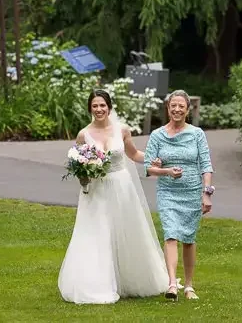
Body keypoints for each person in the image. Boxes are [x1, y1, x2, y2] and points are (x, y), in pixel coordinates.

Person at [58, 89, 169, 304]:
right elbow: (80, 162)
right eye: (95, 106)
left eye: (102, 105)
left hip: (121, 186)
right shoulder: (84, 134)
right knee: (97, 233)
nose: (99, 109)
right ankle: (96, 283)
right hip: (97, 191)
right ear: (90, 108)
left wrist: (152, 160)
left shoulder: (122, 130)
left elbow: (133, 154)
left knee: (126, 231)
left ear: (109, 107)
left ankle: (130, 279)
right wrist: (83, 176)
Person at [145, 89, 214, 301]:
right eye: (173, 106)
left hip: (192, 191)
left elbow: (206, 165)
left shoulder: (197, 134)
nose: (176, 109)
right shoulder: (157, 135)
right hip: (167, 192)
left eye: (181, 106)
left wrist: (206, 193)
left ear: (187, 110)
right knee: (171, 234)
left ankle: (189, 285)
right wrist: (163, 169)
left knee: (188, 239)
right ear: (168, 109)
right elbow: (148, 168)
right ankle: (172, 284)